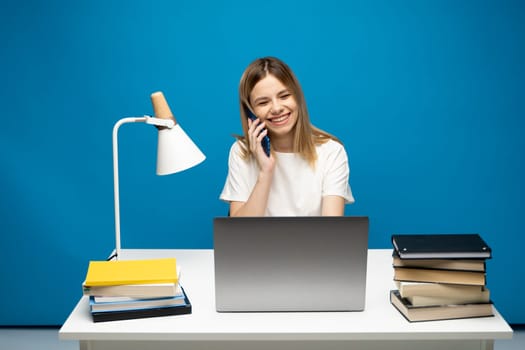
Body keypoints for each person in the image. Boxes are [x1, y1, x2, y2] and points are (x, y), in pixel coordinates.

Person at [220, 56, 354, 216]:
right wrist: (266, 171)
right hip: (258, 242)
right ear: (251, 112)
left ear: (297, 98)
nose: (276, 108)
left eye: (284, 96)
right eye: (263, 102)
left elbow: (331, 233)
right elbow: (238, 235)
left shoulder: (331, 152)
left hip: (315, 242)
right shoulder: (241, 152)